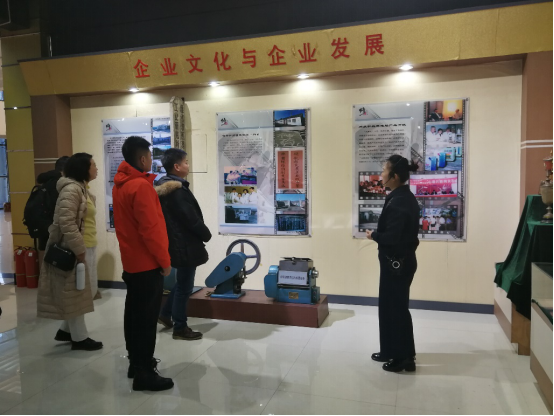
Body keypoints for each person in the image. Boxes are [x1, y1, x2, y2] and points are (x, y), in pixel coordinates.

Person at [112, 136, 173, 392]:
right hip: (147, 264)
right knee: (146, 320)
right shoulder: (140, 186)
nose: (151, 160)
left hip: (131, 262)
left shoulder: (121, 185)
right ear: (142, 159)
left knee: (134, 316)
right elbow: (151, 230)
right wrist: (165, 262)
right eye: (149, 156)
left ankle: (135, 363)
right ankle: (144, 373)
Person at [37, 153, 102, 351]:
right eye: (93, 165)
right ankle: (80, 338)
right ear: (83, 169)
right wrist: (79, 250)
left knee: (84, 291)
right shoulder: (71, 190)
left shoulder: (81, 188)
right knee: (78, 292)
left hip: (86, 245)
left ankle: (66, 330)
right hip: (76, 248)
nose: (96, 168)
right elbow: (66, 222)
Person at [366, 154, 420, 373]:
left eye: (384, 171)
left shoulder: (400, 201)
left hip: (398, 264)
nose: (381, 175)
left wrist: (374, 235)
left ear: (394, 176)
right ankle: (391, 350)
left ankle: (403, 358)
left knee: (396, 309)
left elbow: (393, 237)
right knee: (390, 307)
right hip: (396, 263)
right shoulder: (400, 196)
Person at [155, 148, 212, 340]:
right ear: (176, 166)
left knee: (181, 283)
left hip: (177, 242)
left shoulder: (166, 187)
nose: (188, 165)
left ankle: (165, 314)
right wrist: (206, 234)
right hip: (184, 243)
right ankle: (180, 327)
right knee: (185, 287)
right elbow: (191, 219)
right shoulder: (176, 191)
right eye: (186, 162)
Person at [35, 156, 70, 252]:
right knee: (58, 258)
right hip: (55, 230)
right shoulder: (59, 185)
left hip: (45, 227)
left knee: (49, 257)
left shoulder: (47, 182)